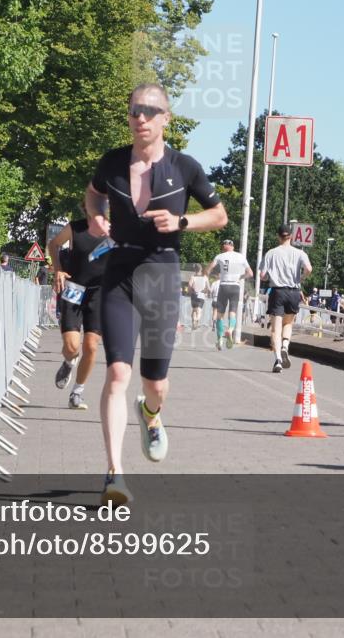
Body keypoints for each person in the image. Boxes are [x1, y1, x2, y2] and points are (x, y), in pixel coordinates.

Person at [85, 83, 228, 504]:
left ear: (166, 118)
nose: (140, 118)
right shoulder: (111, 162)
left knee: (156, 383)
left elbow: (219, 215)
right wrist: (95, 218)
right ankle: (114, 474)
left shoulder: (185, 167)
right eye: (134, 111)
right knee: (117, 373)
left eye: (150, 111)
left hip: (163, 272)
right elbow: (93, 194)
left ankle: (150, 415)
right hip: (121, 271)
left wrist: (183, 223)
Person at [48, 219, 107, 410]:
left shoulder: (116, 230)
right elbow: (53, 244)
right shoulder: (76, 228)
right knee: (72, 346)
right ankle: (69, 361)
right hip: (74, 288)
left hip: (99, 292)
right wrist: (58, 270)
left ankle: (77, 393)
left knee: (91, 346)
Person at [259, 224, 312, 373]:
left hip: (277, 291)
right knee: (288, 323)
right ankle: (285, 346)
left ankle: (278, 360)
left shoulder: (270, 253)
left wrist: (270, 277)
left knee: (276, 329)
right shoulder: (299, 253)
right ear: (291, 236)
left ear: (278, 236)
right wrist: (301, 278)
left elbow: (262, 275)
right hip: (294, 291)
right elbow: (309, 269)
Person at [205, 239, 253, 350]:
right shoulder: (240, 257)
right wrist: (241, 277)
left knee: (219, 315)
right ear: (233, 247)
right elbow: (250, 273)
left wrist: (207, 274)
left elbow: (209, 269)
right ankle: (230, 330)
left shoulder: (219, 256)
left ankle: (219, 340)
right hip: (235, 286)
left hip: (223, 286)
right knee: (233, 312)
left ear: (224, 247)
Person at [187, 264, 209, 330]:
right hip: (201, 295)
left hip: (194, 295)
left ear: (195, 270)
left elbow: (189, 286)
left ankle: (194, 320)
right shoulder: (205, 277)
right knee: (199, 311)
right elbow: (208, 287)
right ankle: (197, 319)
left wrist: (189, 292)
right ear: (201, 269)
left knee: (194, 310)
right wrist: (207, 291)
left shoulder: (193, 277)